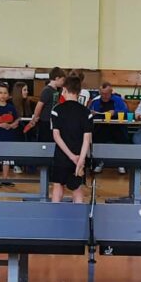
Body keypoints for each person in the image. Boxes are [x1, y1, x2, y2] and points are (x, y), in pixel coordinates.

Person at [49, 73, 93, 204]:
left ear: (64, 90)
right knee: (77, 188)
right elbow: (87, 139)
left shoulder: (56, 110)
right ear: (79, 92)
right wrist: (80, 159)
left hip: (62, 156)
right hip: (79, 156)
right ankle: (78, 215)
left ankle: (54, 212)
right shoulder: (86, 112)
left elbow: (56, 136)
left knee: (58, 186)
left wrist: (71, 156)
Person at [89, 83, 131, 171]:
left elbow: (126, 112)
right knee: (95, 138)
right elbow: (88, 113)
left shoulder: (118, 100)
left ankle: (121, 163)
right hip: (101, 126)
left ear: (111, 92)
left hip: (117, 126)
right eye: (102, 93)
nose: (104, 96)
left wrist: (115, 112)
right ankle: (99, 162)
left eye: (106, 94)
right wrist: (91, 113)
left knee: (123, 138)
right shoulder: (95, 101)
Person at [23, 67, 66, 146]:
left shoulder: (56, 91)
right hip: (45, 121)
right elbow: (39, 105)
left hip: (52, 121)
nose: (63, 82)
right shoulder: (47, 90)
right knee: (45, 141)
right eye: (62, 80)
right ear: (57, 78)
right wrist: (35, 117)